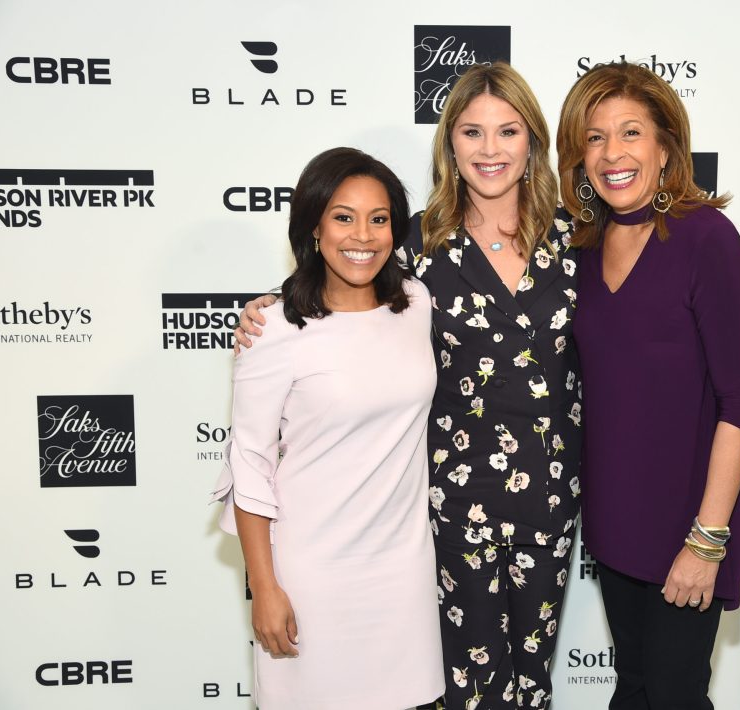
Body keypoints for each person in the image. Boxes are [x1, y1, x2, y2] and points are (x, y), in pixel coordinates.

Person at [236, 64, 581, 710]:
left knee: (532, 687)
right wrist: (268, 312)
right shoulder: (417, 245)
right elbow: (340, 281)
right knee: (468, 694)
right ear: (449, 143)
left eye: (507, 131)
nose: (489, 149)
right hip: (450, 511)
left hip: (549, 503)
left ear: (532, 142)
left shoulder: (572, 240)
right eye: (471, 132)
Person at [556, 62, 740, 709]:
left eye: (630, 133)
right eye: (594, 138)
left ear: (665, 147)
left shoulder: (706, 238)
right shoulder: (582, 251)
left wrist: (706, 542)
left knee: (676, 693)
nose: (612, 153)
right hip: (618, 519)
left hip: (691, 518)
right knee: (637, 687)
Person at [213, 147, 444, 710]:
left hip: (402, 572)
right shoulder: (273, 329)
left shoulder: (415, 303)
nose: (362, 235)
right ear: (314, 226)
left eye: (379, 218)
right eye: (343, 216)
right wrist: (263, 587)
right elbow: (250, 463)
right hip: (312, 574)